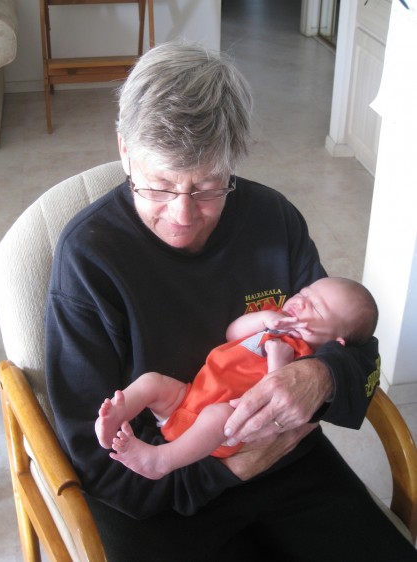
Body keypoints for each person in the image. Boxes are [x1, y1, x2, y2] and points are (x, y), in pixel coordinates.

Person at [45, 42, 417, 561]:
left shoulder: (273, 219)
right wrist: (225, 469)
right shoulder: (88, 258)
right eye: (157, 187)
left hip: (287, 461)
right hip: (162, 491)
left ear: (233, 161)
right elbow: (92, 453)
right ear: (124, 150)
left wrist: (322, 377)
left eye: (208, 188)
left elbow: (357, 348)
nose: (181, 214)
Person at [95, 277, 379, 480]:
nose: (301, 302)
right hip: (188, 396)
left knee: (218, 415)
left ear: (335, 343)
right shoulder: (275, 322)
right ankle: (118, 415)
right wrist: (264, 319)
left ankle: (161, 460)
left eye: (315, 308)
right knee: (151, 382)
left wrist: (279, 359)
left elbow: (275, 398)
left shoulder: (305, 357)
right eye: (304, 293)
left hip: (224, 428)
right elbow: (233, 333)